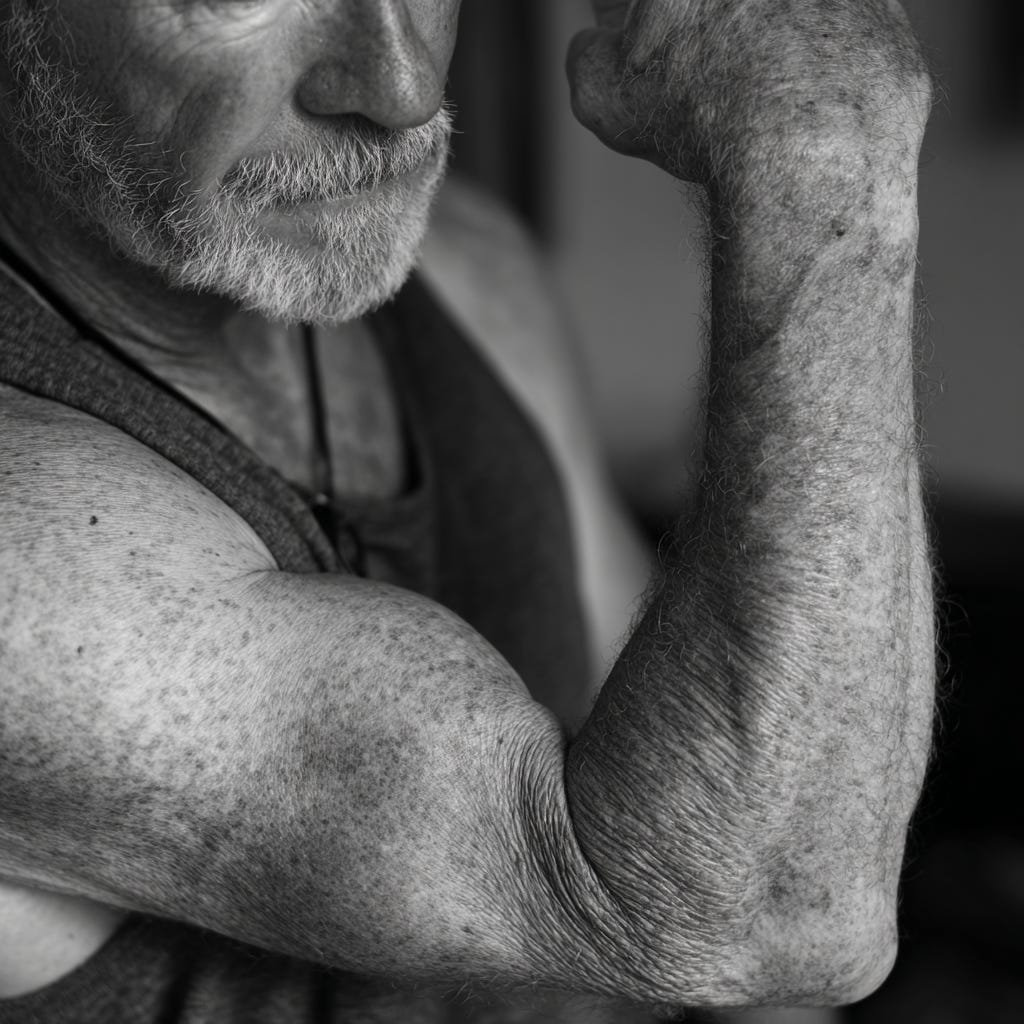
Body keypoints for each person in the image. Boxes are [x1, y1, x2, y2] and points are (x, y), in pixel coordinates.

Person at [0, 0, 936, 1021]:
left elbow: (766, 773)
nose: (402, 90)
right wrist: (821, 154)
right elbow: (772, 911)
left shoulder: (472, 273)